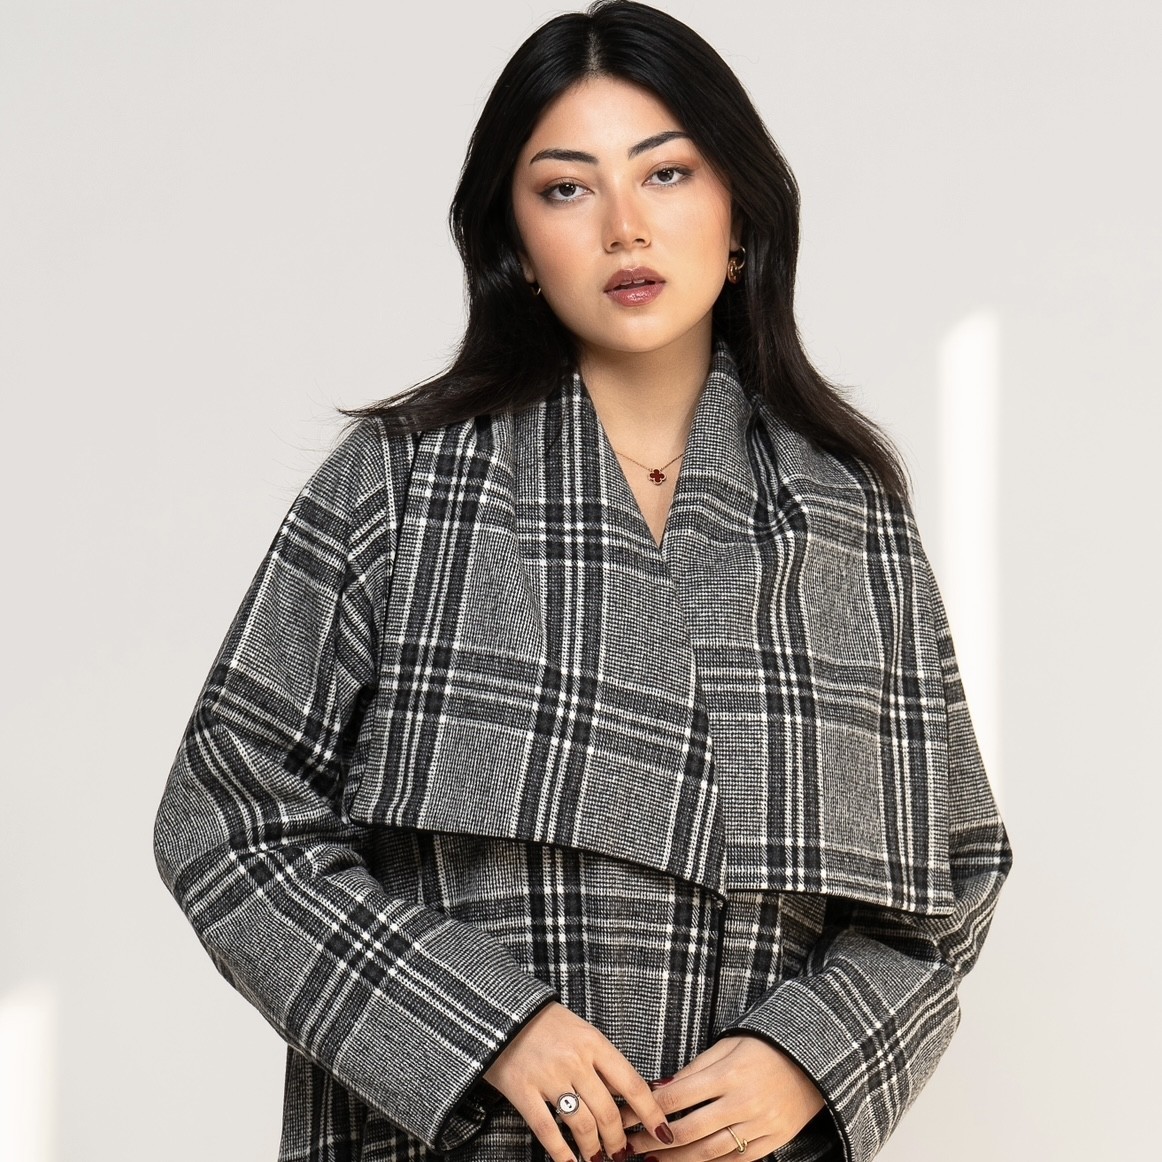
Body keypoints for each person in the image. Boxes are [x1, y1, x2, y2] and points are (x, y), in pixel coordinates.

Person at [153, 3, 1011, 1161]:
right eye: (566, 188)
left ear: (740, 214)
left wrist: (807, 1055)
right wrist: (485, 1029)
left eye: (666, 173)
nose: (623, 227)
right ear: (513, 243)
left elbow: (954, 870)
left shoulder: (848, 511)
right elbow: (223, 812)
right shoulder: (401, 480)